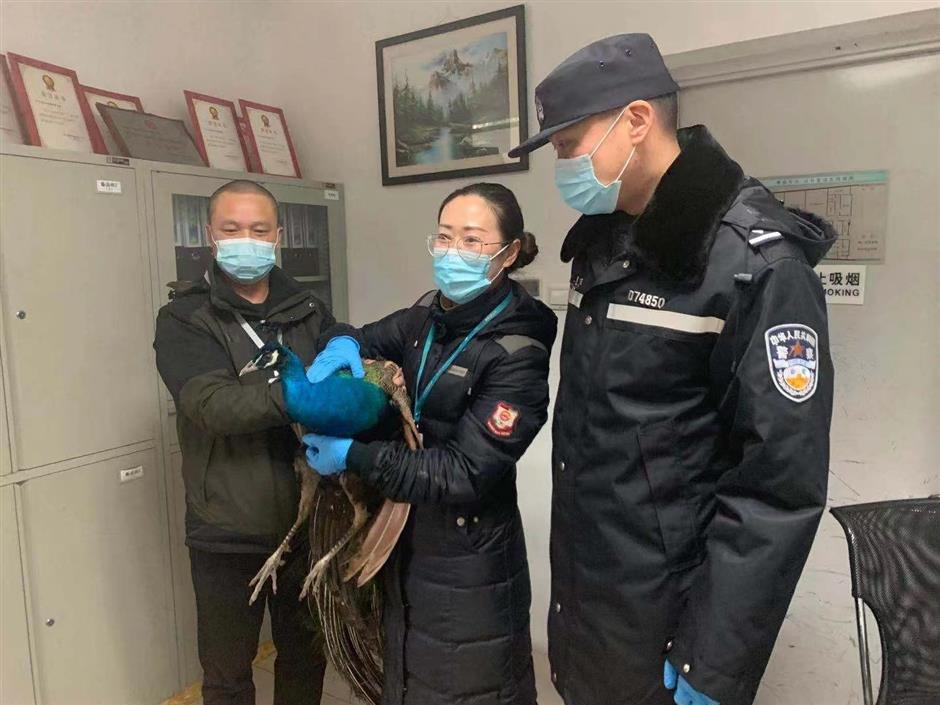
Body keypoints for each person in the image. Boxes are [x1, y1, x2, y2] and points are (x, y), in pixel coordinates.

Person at [506, 34, 835, 705]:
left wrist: (711, 664)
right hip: (594, 610)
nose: (564, 163)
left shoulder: (753, 261)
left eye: (570, 144)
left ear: (635, 120)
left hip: (673, 631)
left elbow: (777, 486)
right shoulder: (602, 243)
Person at [304, 183, 557, 705]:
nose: (451, 252)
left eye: (471, 240)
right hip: (410, 543)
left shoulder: (518, 350)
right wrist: (344, 343)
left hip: (469, 561)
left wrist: (354, 456)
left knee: (469, 686)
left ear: (509, 253)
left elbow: (463, 472)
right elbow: (366, 335)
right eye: (443, 238)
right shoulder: (427, 317)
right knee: (410, 678)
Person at [154, 180, 328, 705]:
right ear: (211, 235)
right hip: (227, 529)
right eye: (231, 229)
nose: (245, 241)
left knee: (304, 661)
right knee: (229, 674)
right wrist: (300, 397)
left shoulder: (308, 310)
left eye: (257, 230)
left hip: (306, 523)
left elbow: (346, 373)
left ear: (278, 235)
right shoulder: (185, 318)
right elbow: (212, 406)